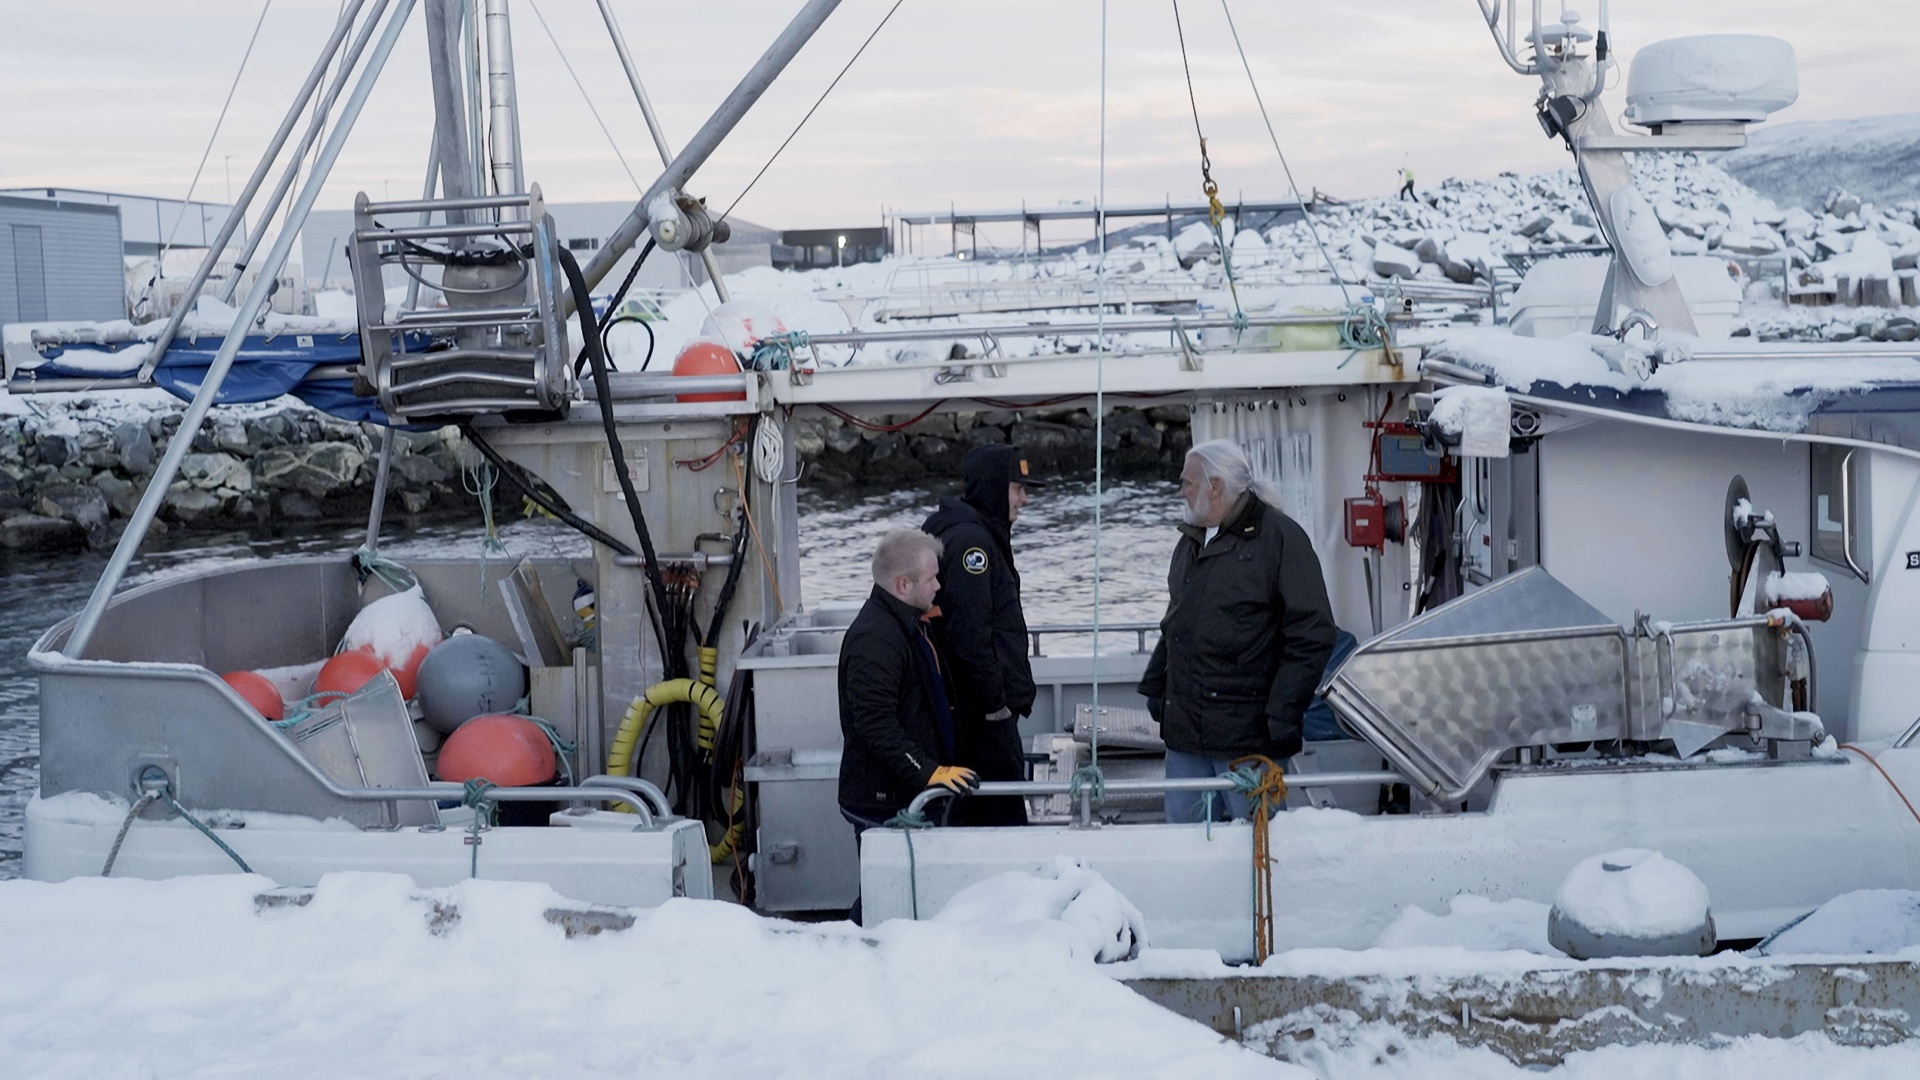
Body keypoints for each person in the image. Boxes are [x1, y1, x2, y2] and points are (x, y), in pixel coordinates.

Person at [1138, 439, 1337, 823]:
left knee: (1254, 849)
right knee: (1183, 845)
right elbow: (1176, 621)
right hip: (1185, 736)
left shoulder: (1281, 539)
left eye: (1187, 482)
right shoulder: (1191, 541)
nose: (1181, 491)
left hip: (1248, 739)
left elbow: (1313, 634)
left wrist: (1281, 714)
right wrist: (1155, 685)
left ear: (1215, 485)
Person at [922, 444, 1042, 826]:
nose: (1024, 499)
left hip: (973, 716)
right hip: (982, 723)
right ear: (994, 487)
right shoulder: (972, 545)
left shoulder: (970, 533)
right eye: (1018, 488)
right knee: (1002, 822)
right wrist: (994, 706)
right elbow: (969, 636)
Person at [837, 528, 979, 842]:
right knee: (890, 888)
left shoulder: (909, 624)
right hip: (884, 801)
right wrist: (927, 770)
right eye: (931, 579)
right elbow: (875, 725)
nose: (938, 586)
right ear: (903, 584)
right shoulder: (875, 640)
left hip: (911, 790)